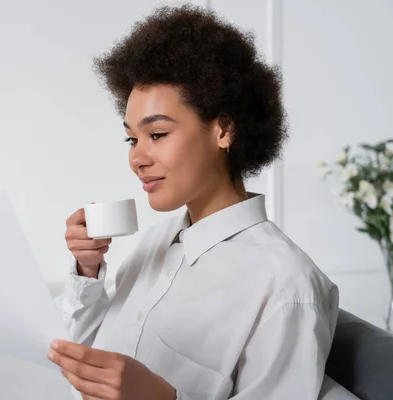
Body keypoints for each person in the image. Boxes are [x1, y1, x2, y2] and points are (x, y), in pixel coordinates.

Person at [47, 4, 339, 400]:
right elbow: (88, 356)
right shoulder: (157, 241)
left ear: (224, 130)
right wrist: (87, 267)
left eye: (158, 134)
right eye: (132, 139)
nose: (136, 158)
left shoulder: (286, 286)